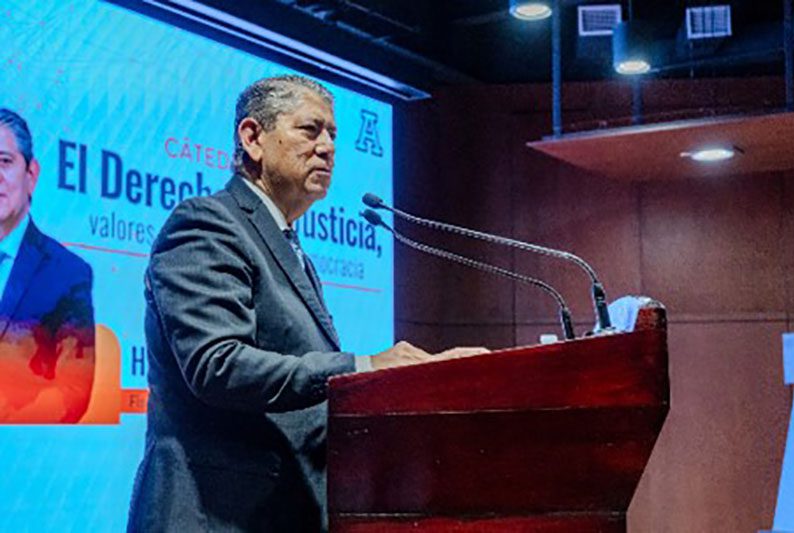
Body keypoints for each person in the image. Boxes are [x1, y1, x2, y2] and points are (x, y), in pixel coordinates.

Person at [127, 75, 484, 532]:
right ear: (252, 138)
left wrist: (417, 382)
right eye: (310, 130)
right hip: (214, 515)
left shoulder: (290, 248)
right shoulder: (208, 223)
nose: (328, 147)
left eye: (333, 134)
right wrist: (363, 368)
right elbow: (217, 365)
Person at [0, 108, 95, 423]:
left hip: (21, 444)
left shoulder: (68, 273)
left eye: (4, 161)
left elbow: (74, 391)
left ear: (31, 174)